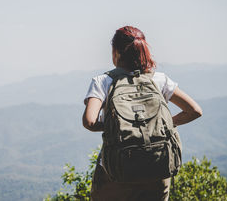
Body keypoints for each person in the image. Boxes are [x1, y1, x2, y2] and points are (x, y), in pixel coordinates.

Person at [82, 26, 202, 201]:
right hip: (157, 167)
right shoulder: (159, 79)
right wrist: (162, 125)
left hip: (116, 170)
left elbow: (89, 122)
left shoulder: (103, 81)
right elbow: (195, 111)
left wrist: (121, 128)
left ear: (115, 52)